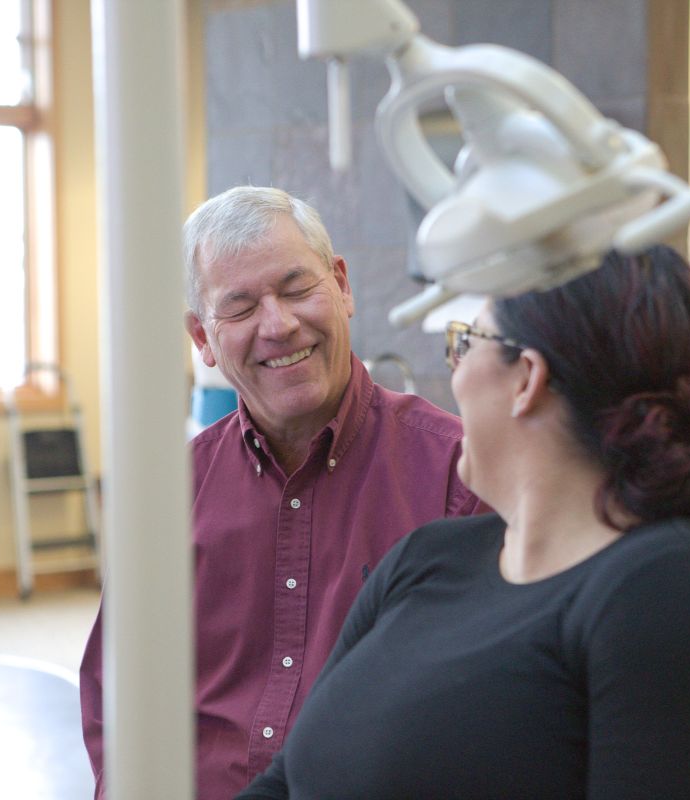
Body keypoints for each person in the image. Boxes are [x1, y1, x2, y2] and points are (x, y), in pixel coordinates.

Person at [238, 245, 690, 799]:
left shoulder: (671, 596)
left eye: (465, 344)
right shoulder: (427, 558)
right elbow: (286, 781)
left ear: (526, 377)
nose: (453, 376)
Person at [78, 187, 483, 799]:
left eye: (297, 290)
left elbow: (490, 711)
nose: (279, 325)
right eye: (239, 308)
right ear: (203, 338)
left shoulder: (458, 474)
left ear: (342, 286)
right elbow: (117, 703)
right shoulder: (167, 494)